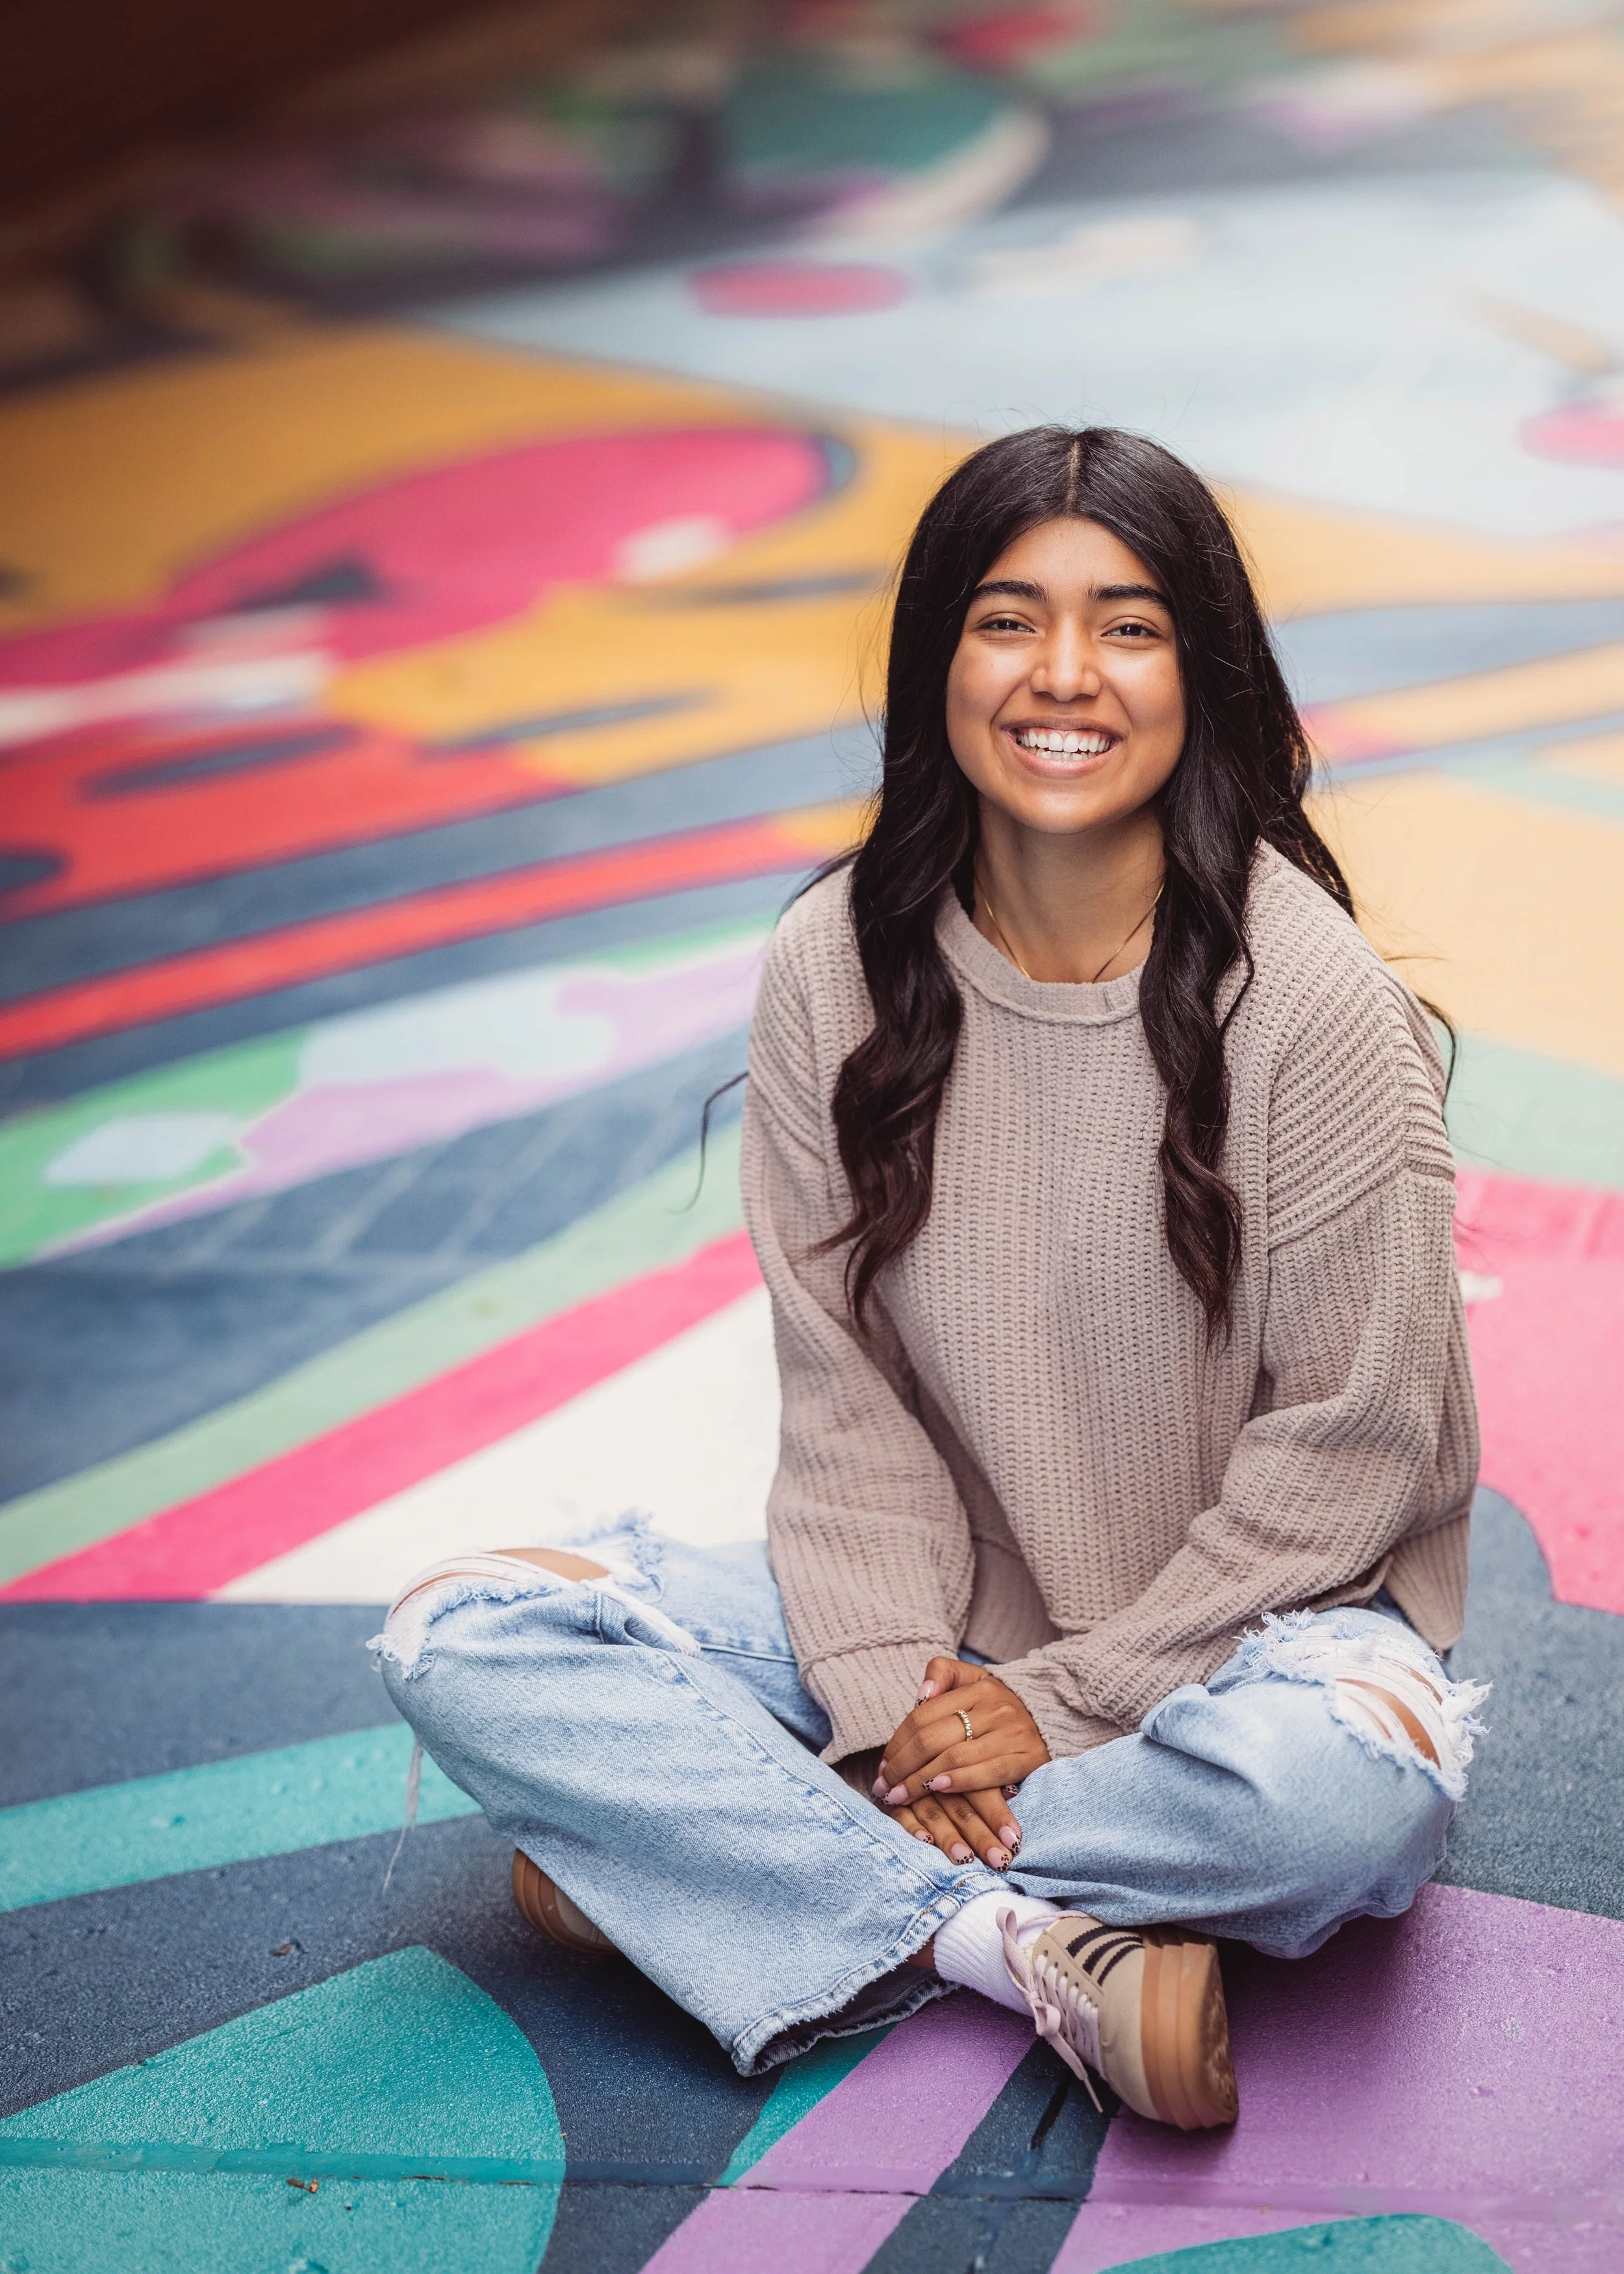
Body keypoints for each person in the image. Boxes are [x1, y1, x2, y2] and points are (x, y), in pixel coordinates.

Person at [374, 427, 1486, 2130]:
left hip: (1258, 1644)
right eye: (1003, 620)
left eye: (1125, 626)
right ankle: (998, 1941)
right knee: (463, 1632)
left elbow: (1349, 1458)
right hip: (936, 1622)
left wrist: (1056, 1705)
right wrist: (907, 1698)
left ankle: (726, 1866)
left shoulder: (1314, 1005)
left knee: (1343, 1801)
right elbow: (847, 1398)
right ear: (936, 662)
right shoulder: (836, 966)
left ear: (1203, 672)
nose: (1062, 675)